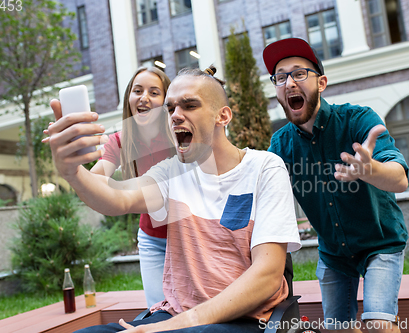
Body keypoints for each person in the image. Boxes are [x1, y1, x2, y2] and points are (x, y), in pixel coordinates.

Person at [46, 66, 301, 333]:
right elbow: (115, 198)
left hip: (246, 319)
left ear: (222, 116)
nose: (176, 116)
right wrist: (71, 172)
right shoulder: (172, 171)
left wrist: (175, 325)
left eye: (189, 105)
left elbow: (268, 276)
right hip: (177, 314)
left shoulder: (265, 168)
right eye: (170, 109)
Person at [263, 38, 408, 333]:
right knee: (337, 330)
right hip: (333, 254)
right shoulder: (279, 145)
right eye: (281, 77)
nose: (289, 82)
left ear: (322, 83)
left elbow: (400, 178)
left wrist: (370, 170)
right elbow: (262, 201)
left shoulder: (357, 119)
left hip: (381, 243)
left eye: (299, 73)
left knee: (380, 324)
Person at [90, 67, 175, 307]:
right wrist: (73, 166)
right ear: (129, 98)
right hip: (151, 238)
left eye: (154, 92)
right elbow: (97, 178)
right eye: (137, 91)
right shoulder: (119, 140)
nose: (144, 97)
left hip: (188, 233)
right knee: (158, 308)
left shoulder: (177, 134)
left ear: (166, 101)